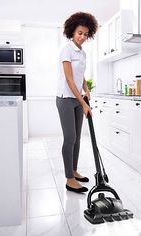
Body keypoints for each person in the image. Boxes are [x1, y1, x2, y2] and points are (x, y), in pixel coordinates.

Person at [56, 12, 98, 193]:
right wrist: (83, 103)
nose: (82, 37)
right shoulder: (66, 49)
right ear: (72, 31)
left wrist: (86, 89)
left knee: (78, 139)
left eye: (85, 34)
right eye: (80, 32)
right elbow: (69, 79)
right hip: (66, 99)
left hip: (78, 98)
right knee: (70, 138)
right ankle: (69, 178)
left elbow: (79, 77)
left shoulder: (83, 53)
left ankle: (74, 170)